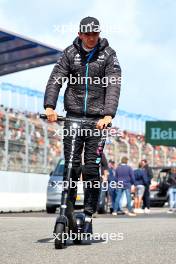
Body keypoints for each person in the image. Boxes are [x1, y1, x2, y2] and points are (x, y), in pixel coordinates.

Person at [43, 16, 121, 234]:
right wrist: (50, 106)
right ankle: (65, 210)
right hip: (73, 117)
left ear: (99, 33)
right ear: (80, 34)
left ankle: (87, 214)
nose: (91, 38)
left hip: (97, 121)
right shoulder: (69, 53)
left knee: (90, 168)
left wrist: (107, 115)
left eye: (95, 34)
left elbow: (114, 85)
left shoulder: (109, 55)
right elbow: (56, 78)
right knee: (71, 165)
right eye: (87, 34)